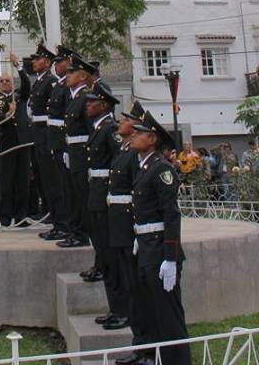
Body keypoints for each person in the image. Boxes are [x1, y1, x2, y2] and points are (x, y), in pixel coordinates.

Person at [130, 111, 190, 365]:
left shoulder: (161, 169)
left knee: (168, 314)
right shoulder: (144, 166)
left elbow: (171, 215)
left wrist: (171, 258)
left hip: (158, 249)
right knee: (151, 310)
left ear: (152, 138)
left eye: (138, 133)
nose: (132, 136)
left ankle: (177, 361)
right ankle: (156, 358)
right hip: (146, 246)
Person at [84, 84, 128, 329]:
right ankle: (115, 308)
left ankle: (122, 309)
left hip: (105, 197)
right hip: (96, 194)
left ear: (105, 105)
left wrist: (113, 195)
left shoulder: (111, 130)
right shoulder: (98, 127)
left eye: (92, 102)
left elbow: (118, 166)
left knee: (112, 259)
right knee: (104, 255)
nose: (88, 105)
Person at [109, 101, 147, 365]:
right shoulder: (125, 149)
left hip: (129, 228)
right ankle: (140, 345)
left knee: (137, 289)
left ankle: (144, 348)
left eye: (126, 120)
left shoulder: (135, 155)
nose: (120, 122)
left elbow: (138, 194)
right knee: (130, 285)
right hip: (119, 226)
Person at [0, 56, 31, 227]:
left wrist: (18, 67)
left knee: (23, 181)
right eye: (2, 81)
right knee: (6, 181)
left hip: (22, 141)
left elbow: (27, 84)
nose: (5, 83)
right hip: (6, 143)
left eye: (8, 80)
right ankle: (5, 216)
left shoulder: (19, 95)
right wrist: (5, 114)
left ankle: (21, 216)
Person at [57, 53, 95, 248]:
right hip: (73, 150)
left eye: (72, 72)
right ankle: (76, 231)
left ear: (81, 76)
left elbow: (92, 131)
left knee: (81, 195)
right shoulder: (73, 98)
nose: (67, 75)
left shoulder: (86, 97)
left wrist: (89, 158)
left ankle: (82, 234)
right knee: (72, 194)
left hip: (82, 152)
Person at [40, 48, 71, 242]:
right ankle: (59, 224)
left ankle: (65, 225)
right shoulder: (59, 85)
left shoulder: (66, 86)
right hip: (54, 140)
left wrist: (64, 145)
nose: (56, 65)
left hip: (62, 141)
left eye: (59, 62)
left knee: (63, 187)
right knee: (54, 185)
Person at [26, 45, 56, 221]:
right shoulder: (38, 81)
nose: (34, 62)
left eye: (37, 59)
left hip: (45, 131)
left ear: (47, 62)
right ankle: (48, 210)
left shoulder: (50, 82)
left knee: (51, 177)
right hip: (37, 132)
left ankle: (55, 214)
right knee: (42, 176)